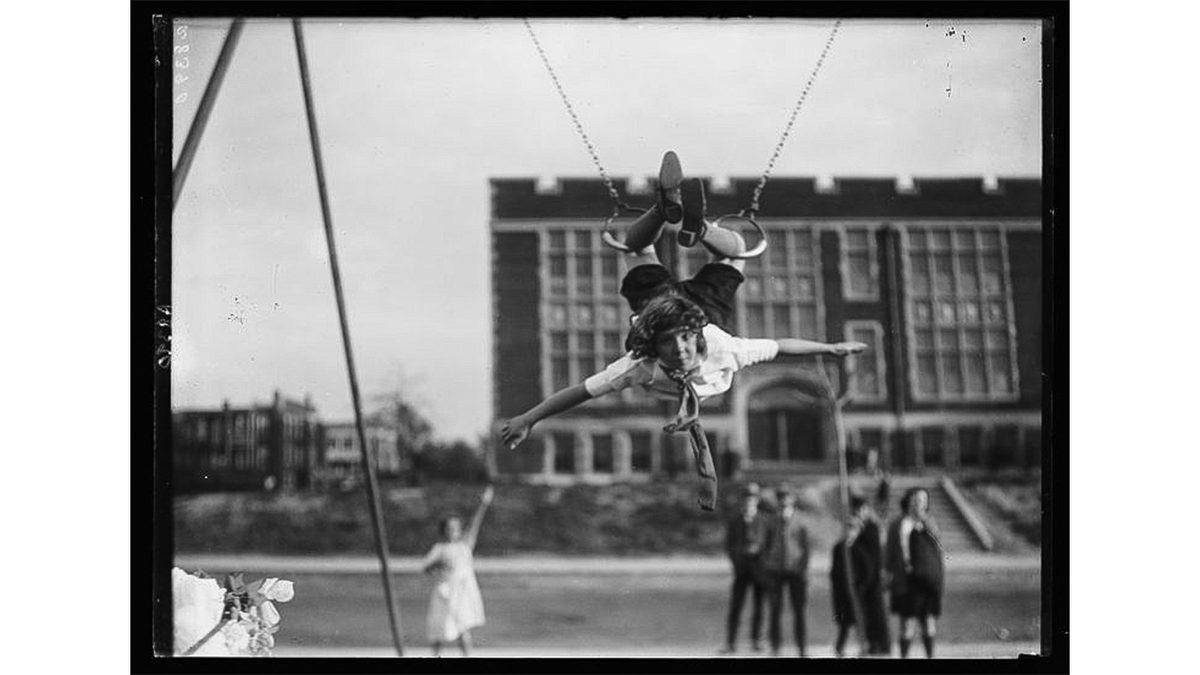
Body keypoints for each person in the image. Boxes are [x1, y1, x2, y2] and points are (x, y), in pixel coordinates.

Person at [500, 152, 866, 510]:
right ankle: (678, 215)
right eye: (669, 345)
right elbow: (579, 393)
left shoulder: (717, 347)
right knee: (733, 251)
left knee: (638, 246)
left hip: (685, 311)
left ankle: (677, 217)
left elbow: (780, 346)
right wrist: (528, 419)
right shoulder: (643, 362)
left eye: (684, 342)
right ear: (655, 347)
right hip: (661, 313)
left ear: (694, 337)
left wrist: (829, 348)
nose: (679, 350)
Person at [421, 485, 495, 656]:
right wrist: (436, 566)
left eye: (455, 528)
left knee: (462, 629)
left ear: (459, 530)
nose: (452, 531)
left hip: (461, 594)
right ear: (443, 531)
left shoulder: (464, 546)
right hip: (443, 594)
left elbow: (475, 524)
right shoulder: (438, 549)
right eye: (448, 528)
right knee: (438, 629)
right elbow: (426, 568)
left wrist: (483, 503)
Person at [884, 487, 945, 658]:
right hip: (906, 579)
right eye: (917, 499)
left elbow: (938, 548)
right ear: (909, 501)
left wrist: (924, 522)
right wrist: (887, 575)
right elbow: (889, 552)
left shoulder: (929, 522)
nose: (920, 503)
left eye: (923, 500)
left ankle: (930, 656)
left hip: (926, 580)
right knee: (907, 623)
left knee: (928, 621)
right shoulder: (898, 524)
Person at [830, 495, 891, 657]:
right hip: (852, 583)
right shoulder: (841, 546)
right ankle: (844, 647)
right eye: (856, 509)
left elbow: (873, 557)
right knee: (850, 618)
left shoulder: (871, 528)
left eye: (862, 509)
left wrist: (870, 579)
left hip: (869, 581)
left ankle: (875, 645)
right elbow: (838, 568)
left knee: (871, 616)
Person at [760, 487, 810, 657]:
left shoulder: (800, 521)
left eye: (786, 497)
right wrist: (767, 564)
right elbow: (765, 545)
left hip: (795, 571)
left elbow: (806, 548)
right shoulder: (771, 521)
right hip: (775, 571)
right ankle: (775, 647)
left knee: (799, 611)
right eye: (780, 498)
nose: (783, 501)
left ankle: (802, 648)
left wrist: (803, 568)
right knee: (775, 610)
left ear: (792, 500)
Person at [720, 483, 769, 654]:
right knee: (736, 607)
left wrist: (762, 559)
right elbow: (729, 545)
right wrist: (737, 560)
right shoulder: (735, 520)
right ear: (742, 501)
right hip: (741, 570)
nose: (749, 502)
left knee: (759, 608)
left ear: (757, 500)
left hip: (759, 570)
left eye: (752, 499)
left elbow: (768, 545)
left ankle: (757, 640)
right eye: (747, 499)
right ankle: (731, 643)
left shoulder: (763, 520)